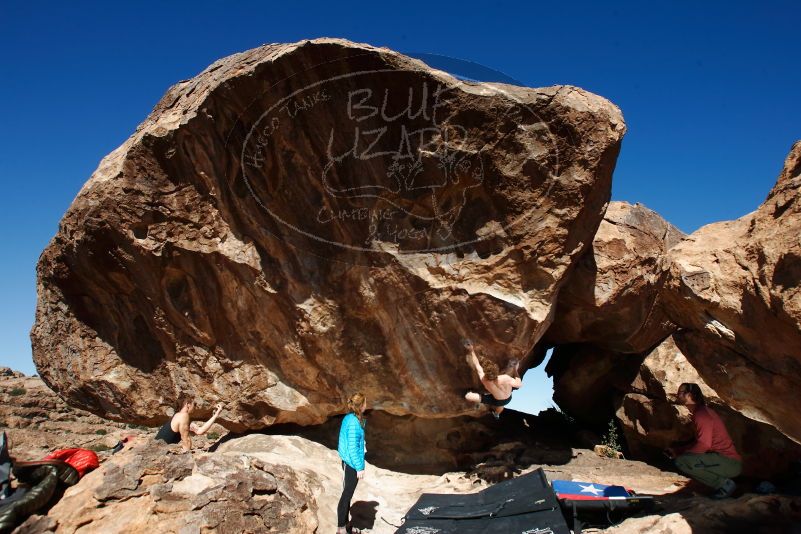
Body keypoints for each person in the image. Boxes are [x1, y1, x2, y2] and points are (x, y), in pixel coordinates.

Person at [665, 383, 742, 499]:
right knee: (684, 458)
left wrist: (683, 455)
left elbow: (704, 445)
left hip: (729, 462)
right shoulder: (700, 412)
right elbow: (698, 442)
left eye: (680, 393)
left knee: (683, 461)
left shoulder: (702, 415)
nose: (677, 395)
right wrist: (678, 450)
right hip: (723, 460)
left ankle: (724, 485)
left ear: (689, 395)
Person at [463, 339, 522, 419]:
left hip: (497, 400)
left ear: (485, 373)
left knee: (468, 396)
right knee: (501, 405)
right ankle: (497, 414)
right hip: (508, 398)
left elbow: (477, 365)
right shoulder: (505, 378)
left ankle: (481, 403)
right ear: (496, 370)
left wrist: (471, 350)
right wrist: (515, 370)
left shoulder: (485, 380)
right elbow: (519, 384)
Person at [336, 392, 367, 534]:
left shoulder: (350, 418)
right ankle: (341, 528)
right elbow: (353, 447)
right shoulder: (354, 422)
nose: (367, 405)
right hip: (351, 464)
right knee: (346, 495)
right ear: (361, 405)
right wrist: (359, 467)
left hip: (348, 461)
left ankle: (346, 525)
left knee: (347, 494)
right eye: (365, 403)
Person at [154, 396, 224, 452]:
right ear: (188, 404)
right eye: (194, 404)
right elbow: (186, 440)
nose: (195, 407)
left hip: (157, 451)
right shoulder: (183, 416)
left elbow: (200, 431)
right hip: (158, 454)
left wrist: (216, 414)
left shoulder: (179, 416)